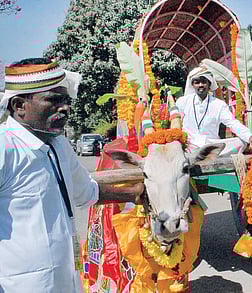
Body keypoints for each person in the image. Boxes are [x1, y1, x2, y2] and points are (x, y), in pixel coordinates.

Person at [0, 58, 144, 292]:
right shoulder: (4, 146)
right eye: (54, 100)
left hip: (67, 281)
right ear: (19, 106)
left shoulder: (59, 145)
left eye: (66, 101)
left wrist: (135, 194)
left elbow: (86, 192)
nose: (65, 108)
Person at [176, 66, 252, 155]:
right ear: (192, 85)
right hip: (189, 145)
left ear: (209, 84)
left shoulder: (219, 104)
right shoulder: (182, 102)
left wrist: (249, 136)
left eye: (204, 82)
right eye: (197, 82)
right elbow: (176, 123)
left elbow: (232, 123)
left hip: (212, 146)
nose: (200, 85)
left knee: (240, 142)